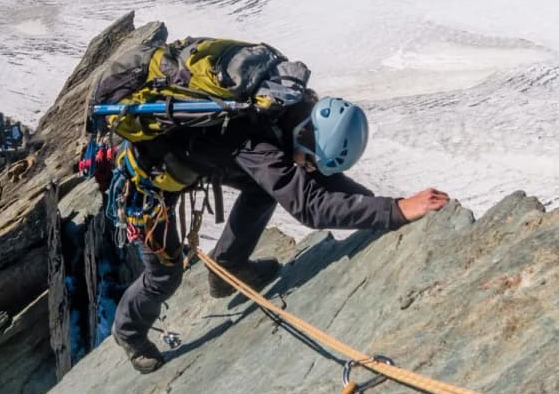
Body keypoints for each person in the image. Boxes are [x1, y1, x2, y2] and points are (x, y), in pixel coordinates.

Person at [107, 86, 449, 374]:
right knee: (164, 275)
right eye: (309, 158)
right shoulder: (261, 145)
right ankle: (128, 332)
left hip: (205, 154)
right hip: (147, 178)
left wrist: (373, 205)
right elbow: (310, 207)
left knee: (267, 186)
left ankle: (227, 267)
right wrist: (395, 210)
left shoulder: (291, 107)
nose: (308, 165)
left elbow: (317, 175)